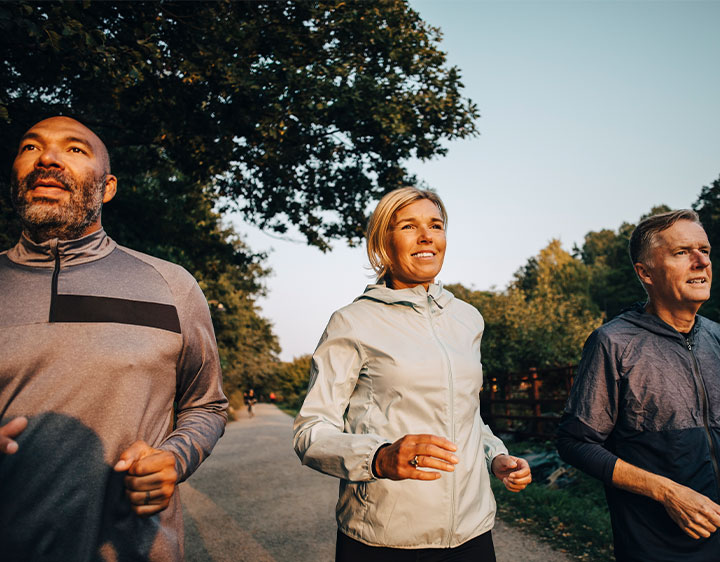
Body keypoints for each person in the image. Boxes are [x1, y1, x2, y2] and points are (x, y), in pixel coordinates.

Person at [0, 116, 228, 561]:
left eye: (74, 149)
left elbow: (207, 404)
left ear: (107, 188)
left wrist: (175, 458)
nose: (47, 158)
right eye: (30, 147)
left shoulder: (171, 285)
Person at [293, 187, 531, 561]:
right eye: (409, 226)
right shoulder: (352, 322)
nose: (426, 236)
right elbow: (311, 431)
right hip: (384, 539)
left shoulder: (467, 319)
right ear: (383, 244)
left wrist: (495, 455)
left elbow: (466, 415)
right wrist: (379, 457)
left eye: (435, 225)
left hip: (473, 535)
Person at [557, 209, 720, 561]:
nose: (700, 262)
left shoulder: (717, 338)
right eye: (681, 252)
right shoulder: (613, 342)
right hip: (658, 548)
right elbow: (574, 442)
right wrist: (667, 492)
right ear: (645, 273)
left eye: (704, 250)